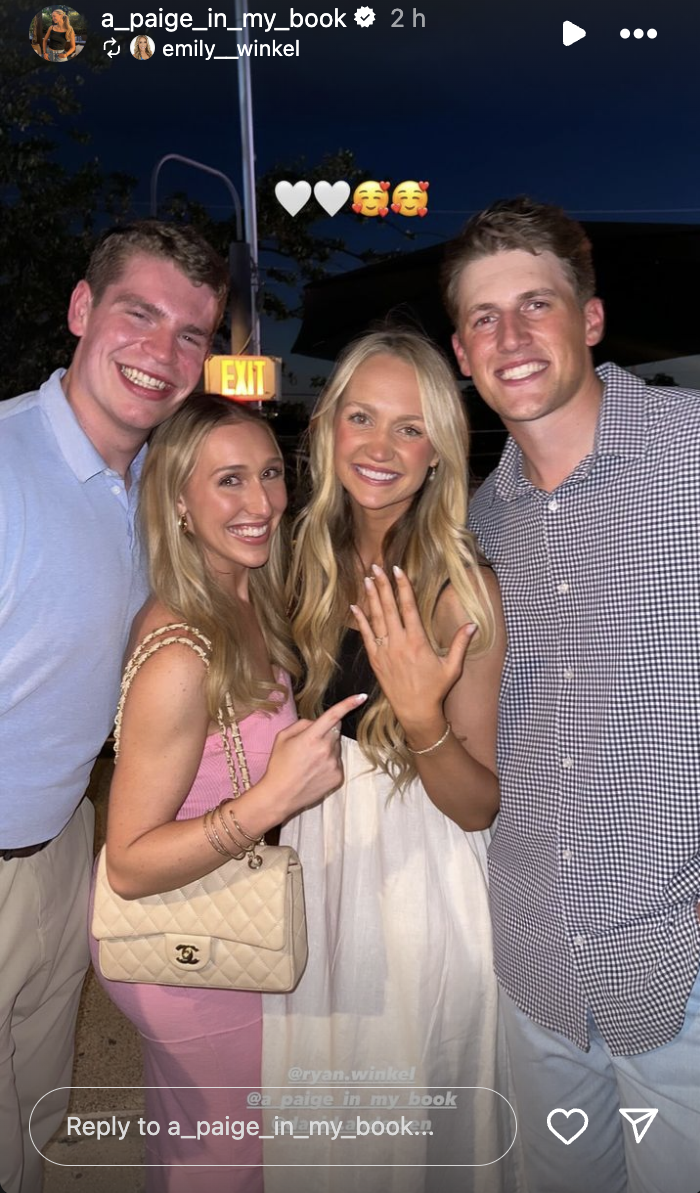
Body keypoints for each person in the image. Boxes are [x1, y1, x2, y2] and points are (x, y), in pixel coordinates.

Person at [444, 195, 700, 1193]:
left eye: (534, 304)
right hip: (537, 972)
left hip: (675, 969)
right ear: (461, 354)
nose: (509, 336)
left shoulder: (689, 455)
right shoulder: (479, 528)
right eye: (482, 317)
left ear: (588, 319)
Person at [0, 220, 229, 1193]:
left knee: (39, 1112)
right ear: (83, 311)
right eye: (140, 314)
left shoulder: (144, 489)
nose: (163, 351)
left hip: (62, 845)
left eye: (191, 333)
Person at [263, 329, 520, 1192]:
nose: (381, 447)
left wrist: (418, 717)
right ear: (326, 427)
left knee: (410, 1126)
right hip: (311, 864)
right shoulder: (293, 552)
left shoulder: (461, 585)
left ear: (441, 452)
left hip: (418, 889)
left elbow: (480, 804)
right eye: (362, 417)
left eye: (411, 428)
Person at [90, 393, 365, 1192]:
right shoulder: (184, 650)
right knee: (235, 1156)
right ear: (178, 500)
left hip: (205, 920)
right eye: (230, 482)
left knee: (196, 1143)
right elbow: (131, 863)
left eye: (271, 474)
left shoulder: (243, 597)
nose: (262, 503)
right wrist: (270, 802)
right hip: (185, 941)